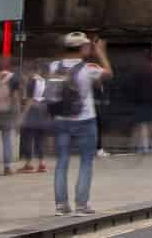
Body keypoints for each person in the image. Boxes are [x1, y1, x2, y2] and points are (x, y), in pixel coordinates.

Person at [47, 31, 111, 217]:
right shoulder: (88, 68)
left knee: (62, 162)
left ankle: (61, 205)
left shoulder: (54, 66)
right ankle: (81, 205)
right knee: (85, 162)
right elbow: (108, 73)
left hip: (60, 120)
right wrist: (100, 52)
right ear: (83, 48)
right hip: (84, 120)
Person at [18, 68, 50, 174]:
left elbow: (30, 99)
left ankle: (29, 164)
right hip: (43, 109)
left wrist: (23, 116)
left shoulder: (32, 81)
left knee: (28, 138)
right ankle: (42, 163)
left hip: (33, 110)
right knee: (40, 139)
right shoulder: (45, 81)